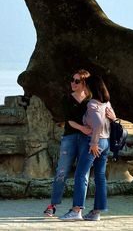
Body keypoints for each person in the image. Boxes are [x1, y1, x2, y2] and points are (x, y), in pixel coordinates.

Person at [59, 75, 116, 221]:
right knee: (100, 177)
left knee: (80, 175)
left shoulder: (92, 104)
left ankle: (76, 211)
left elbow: (96, 124)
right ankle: (96, 212)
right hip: (106, 142)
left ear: (91, 87)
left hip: (94, 143)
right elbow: (111, 120)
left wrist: (93, 144)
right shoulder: (107, 103)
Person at [44, 69, 91, 217]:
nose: (73, 83)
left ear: (84, 83)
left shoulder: (91, 100)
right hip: (70, 138)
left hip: (86, 140)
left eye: (77, 81)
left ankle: (78, 209)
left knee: (83, 174)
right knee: (61, 171)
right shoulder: (67, 99)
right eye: (72, 80)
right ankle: (52, 205)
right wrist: (83, 128)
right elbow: (69, 120)